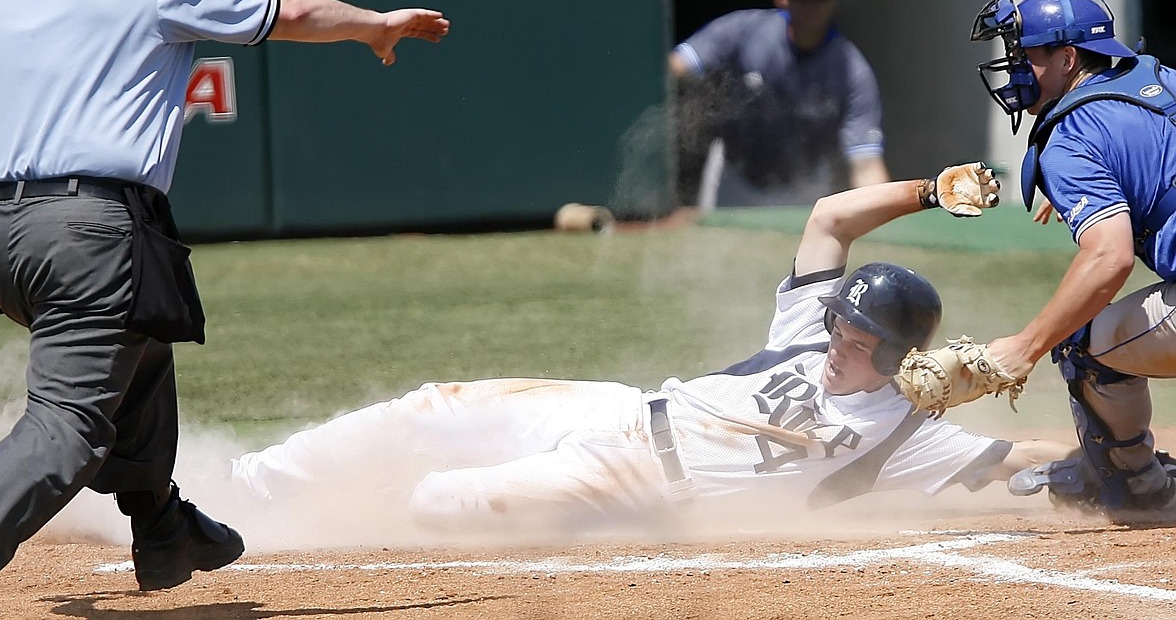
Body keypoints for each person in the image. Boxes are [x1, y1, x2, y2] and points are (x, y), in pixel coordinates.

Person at [0, 0, 449, 620]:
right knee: (68, 426)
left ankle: (162, 527)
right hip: (92, 230)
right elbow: (285, 12)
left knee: (143, 341)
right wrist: (374, 26)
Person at [225, 163, 1072, 538]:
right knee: (427, 409)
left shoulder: (906, 434)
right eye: (838, 329)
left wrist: (1116, 457)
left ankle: (336, 514)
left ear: (897, 355)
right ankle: (244, 490)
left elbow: (1019, 455)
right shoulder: (803, 340)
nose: (838, 346)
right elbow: (827, 218)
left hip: (636, 483)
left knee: (439, 505)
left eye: (859, 342)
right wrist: (929, 191)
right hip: (621, 409)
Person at [967, 0, 1176, 523]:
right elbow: (1148, 159)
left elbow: (1110, 259)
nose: (1014, 69)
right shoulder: (1164, 81)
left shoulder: (1071, 138)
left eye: (1026, 57)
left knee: (1080, 340)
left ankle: (1136, 486)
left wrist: (1027, 345)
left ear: (1067, 58)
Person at [669, 0, 891, 209]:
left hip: (806, 190)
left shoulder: (852, 70)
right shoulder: (743, 30)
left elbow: (865, 162)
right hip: (735, 181)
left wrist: (885, 224)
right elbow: (676, 66)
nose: (811, 3)